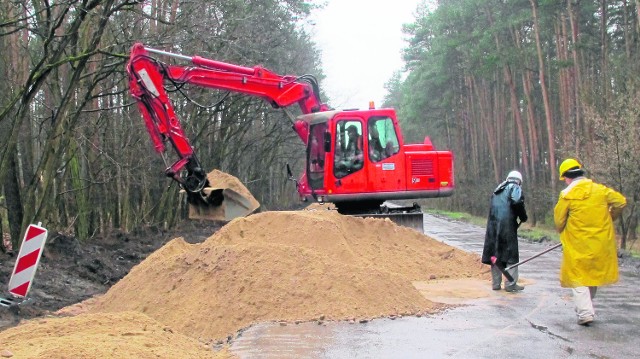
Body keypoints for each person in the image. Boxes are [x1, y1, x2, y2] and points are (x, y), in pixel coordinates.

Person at [553, 158, 626, 326]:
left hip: (578, 245)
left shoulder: (567, 196)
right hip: (600, 243)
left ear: (567, 177)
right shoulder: (600, 190)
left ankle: (585, 312)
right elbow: (621, 202)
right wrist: (610, 216)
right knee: (591, 276)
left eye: (564, 178)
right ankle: (585, 307)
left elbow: (558, 222)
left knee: (578, 278)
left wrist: (565, 228)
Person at [482, 170, 528, 292]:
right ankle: (510, 284)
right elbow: (517, 201)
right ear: (519, 181)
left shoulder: (497, 190)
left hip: (493, 226)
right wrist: (523, 217)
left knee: (495, 254)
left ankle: (496, 284)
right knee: (511, 255)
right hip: (507, 226)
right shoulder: (515, 187)